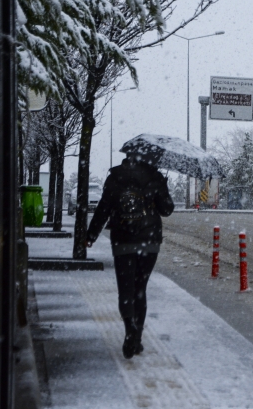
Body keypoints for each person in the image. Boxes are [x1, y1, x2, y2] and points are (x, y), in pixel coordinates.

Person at [86, 153, 174, 359]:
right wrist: (162, 187)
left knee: (126, 289)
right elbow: (167, 209)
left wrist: (91, 234)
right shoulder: (155, 176)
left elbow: (104, 208)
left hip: (123, 239)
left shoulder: (115, 176)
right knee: (140, 289)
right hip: (149, 241)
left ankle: (129, 330)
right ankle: (138, 338)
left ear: (127, 156)